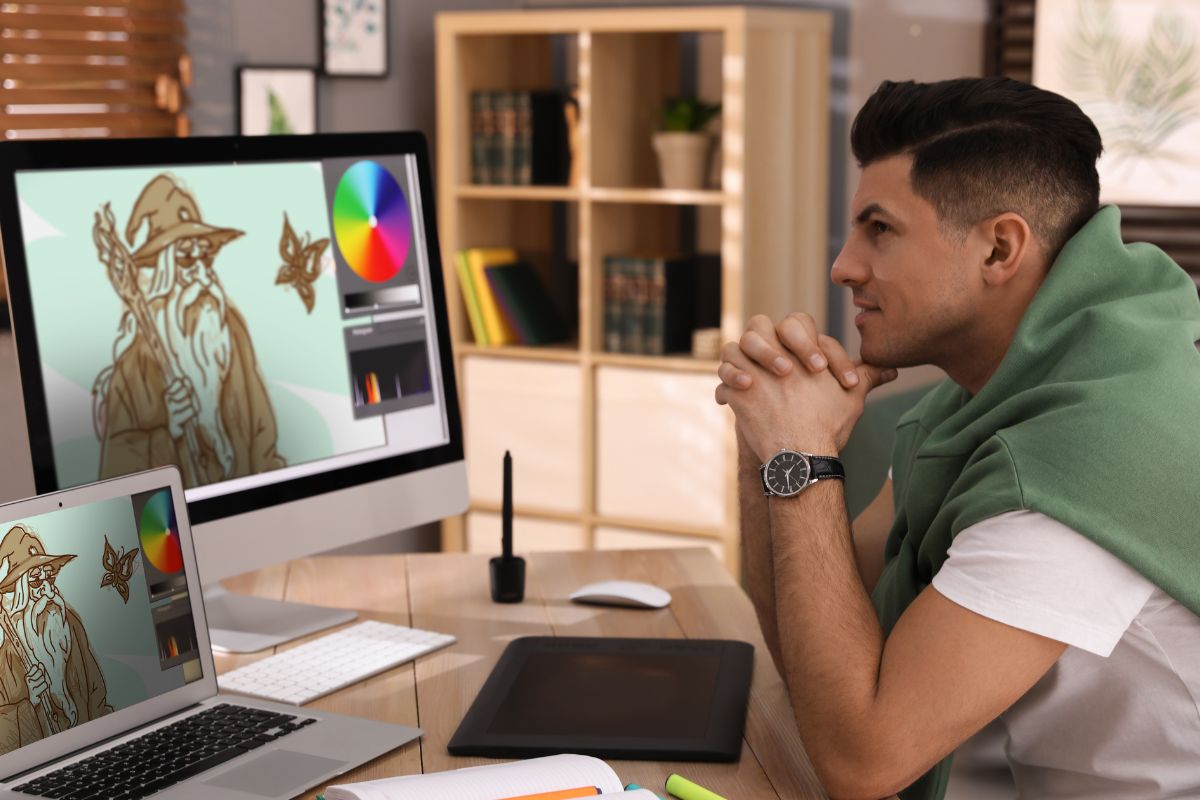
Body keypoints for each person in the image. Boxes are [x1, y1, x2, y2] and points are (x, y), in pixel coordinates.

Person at [715, 77, 1200, 799]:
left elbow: (862, 761)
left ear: (999, 248)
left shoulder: (1073, 465)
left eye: (880, 229)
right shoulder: (984, 400)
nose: (843, 266)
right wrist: (768, 439)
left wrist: (803, 456)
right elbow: (809, 644)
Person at [95, 174, 286, 489]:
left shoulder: (232, 335)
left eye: (205, 253)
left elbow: (263, 440)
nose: (201, 269)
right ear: (164, 271)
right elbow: (114, 485)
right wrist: (168, 432)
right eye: (185, 255)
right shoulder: (134, 368)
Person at [0, 525, 111, 754]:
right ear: (20, 593)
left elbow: (97, 696)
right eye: (36, 582)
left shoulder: (69, 625)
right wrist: (29, 703)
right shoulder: (7, 660)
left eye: (49, 577)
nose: (49, 591)